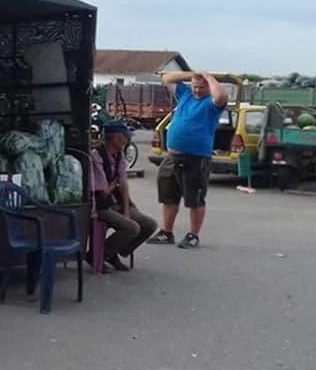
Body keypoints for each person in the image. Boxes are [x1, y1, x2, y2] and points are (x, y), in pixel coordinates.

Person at [150, 71, 228, 249]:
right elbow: (167, 78)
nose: (197, 90)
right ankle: (166, 232)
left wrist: (209, 77)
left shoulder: (212, 104)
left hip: (196, 158)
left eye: (201, 88)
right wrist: (193, 74)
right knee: (168, 197)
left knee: (195, 199)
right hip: (172, 156)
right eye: (195, 87)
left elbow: (221, 96)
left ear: (209, 87)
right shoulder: (185, 95)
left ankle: (193, 235)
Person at [91, 120, 158, 271]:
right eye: (125, 137)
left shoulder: (119, 155)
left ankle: (115, 252)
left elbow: (124, 184)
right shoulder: (96, 156)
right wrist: (116, 181)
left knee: (149, 224)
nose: (127, 140)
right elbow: (104, 191)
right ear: (115, 138)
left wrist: (127, 209)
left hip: (115, 202)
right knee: (132, 228)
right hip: (100, 206)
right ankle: (98, 255)